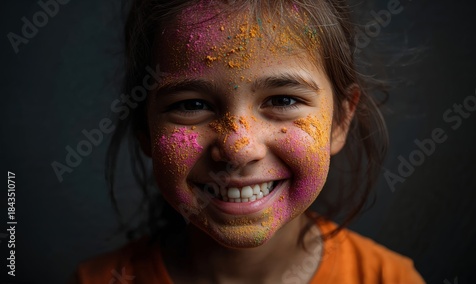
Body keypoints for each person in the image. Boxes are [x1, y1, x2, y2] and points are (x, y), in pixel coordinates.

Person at [71, 0, 425, 283]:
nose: (239, 149)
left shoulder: (388, 278)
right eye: (192, 105)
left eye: (283, 100)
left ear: (340, 121)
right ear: (146, 131)